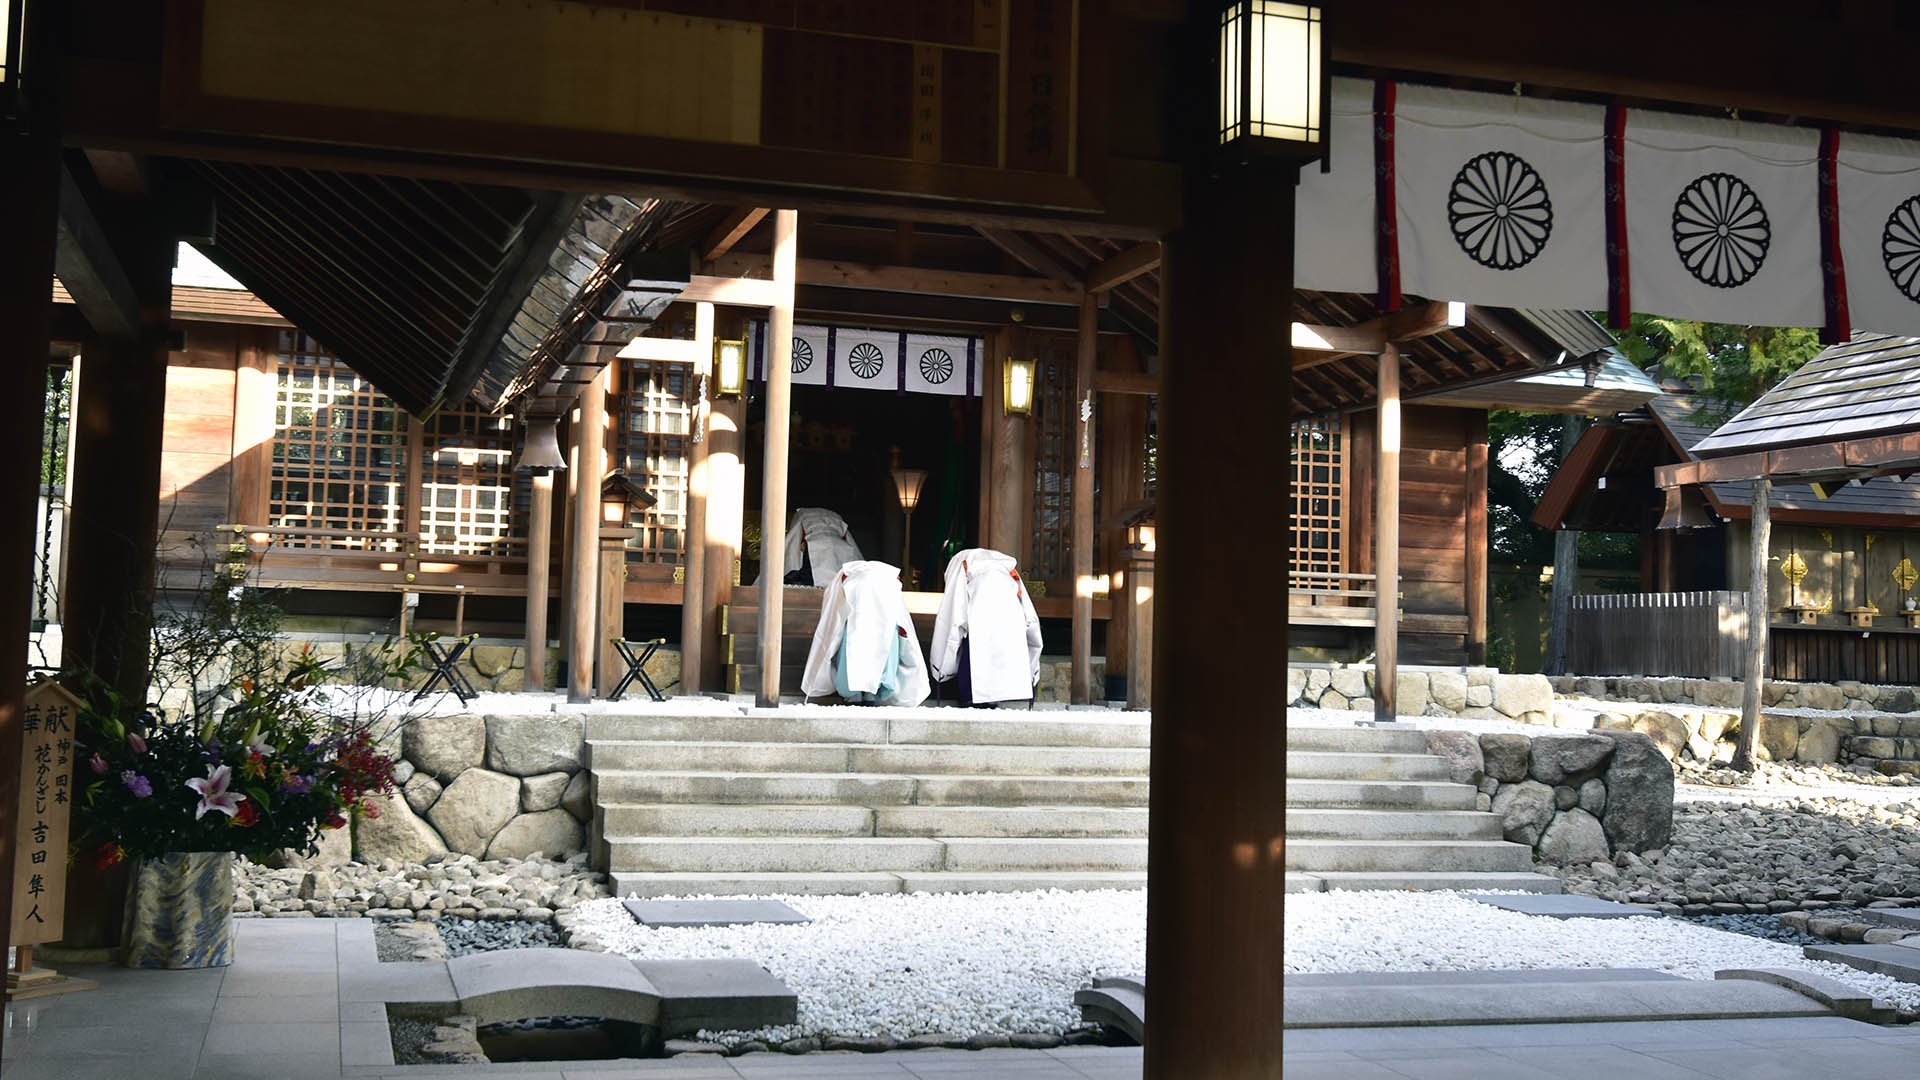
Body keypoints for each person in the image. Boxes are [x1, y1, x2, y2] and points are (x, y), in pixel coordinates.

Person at [800, 561, 929, 706]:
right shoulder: (888, 579)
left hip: (854, 604)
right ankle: (871, 693)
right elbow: (902, 621)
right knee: (884, 646)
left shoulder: (846, 577)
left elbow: (834, 614)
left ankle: (852, 694)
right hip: (885, 607)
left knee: (851, 645)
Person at [929, 548, 1042, 706]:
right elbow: (1031, 621)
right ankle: (998, 697)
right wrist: (1032, 672)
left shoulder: (964, 567)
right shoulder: (1008, 572)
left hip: (978, 619)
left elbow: (953, 621)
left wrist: (941, 669)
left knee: (976, 653)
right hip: (1012, 618)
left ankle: (971, 698)